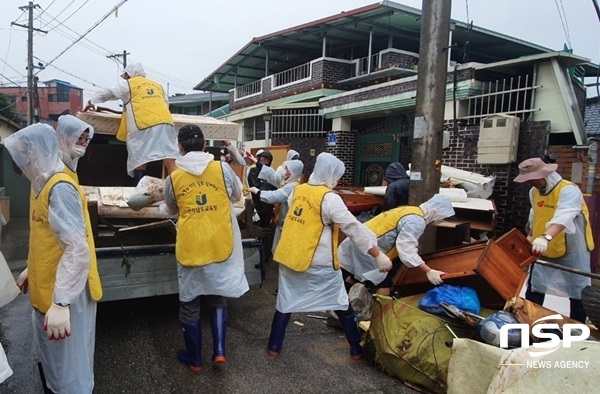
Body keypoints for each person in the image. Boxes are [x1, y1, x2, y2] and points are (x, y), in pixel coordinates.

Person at [4, 123, 102, 393]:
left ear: (33, 152)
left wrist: (61, 302)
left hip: (68, 293)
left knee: (72, 369)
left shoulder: (59, 188)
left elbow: (77, 249)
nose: (25, 172)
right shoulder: (40, 183)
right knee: (55, 364)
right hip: (49, 287)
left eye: (24, 165)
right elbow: (45, 238)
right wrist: (30, 269)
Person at [267, 152, 391, 360]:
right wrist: (377, 254)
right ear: (330, 174)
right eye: (336, 176)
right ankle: (355, 348)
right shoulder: (329, 198)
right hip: (318, 262)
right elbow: (352, 227)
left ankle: (274, 346)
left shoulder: (298, 190)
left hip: (290, 256)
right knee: (340, 302)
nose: (336, 181)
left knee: (286, 301)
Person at [160, 124, 249, 372]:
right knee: (217, 295)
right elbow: (236, 196)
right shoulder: (222, 168)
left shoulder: (175, 177)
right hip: (220, 242)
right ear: (204, 145)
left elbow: (171, 209)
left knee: (190, 303)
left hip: (191, 245)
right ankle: (219, 352)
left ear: (180, 147)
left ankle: (195, 359)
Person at [513, 157, 594, 322]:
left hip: (573, 249)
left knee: (578, 291)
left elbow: (565, 215)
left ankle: (577, 328)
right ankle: (530, 321)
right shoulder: (534, 192)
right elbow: (535, 215)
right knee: (535, 287)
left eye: (533, 179)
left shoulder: (569, 190)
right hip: (543, 247)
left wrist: (546, 236)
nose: (531, 183)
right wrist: (531, 235)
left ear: (546, 174)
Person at [84, 63, 179, 184]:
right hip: (166, 123)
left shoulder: (128, 84)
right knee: (170, 157)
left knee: (140, 159)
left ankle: (138, 191)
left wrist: (91, 101)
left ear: (129, 75)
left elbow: (108, 92)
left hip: (144, 124)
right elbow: (165, 104)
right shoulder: (157, 85)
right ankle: (177, 188)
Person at [338, 194, 455, 289]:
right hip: (369, 250)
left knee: (354, 276)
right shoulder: (416, 221)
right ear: (436, 212)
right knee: (384, 284)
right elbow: (406, 249)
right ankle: (381, 315)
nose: (440, 220)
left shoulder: (410, 209)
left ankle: (340, 307)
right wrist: (428, 271)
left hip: (358, 242)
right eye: (442, 217)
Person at [248, 159, 304, 254]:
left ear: (293, 173)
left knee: (283, 251)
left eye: (287, 170)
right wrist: (256, 162)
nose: (285, 172)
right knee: (277, 250)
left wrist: (258, 192)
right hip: (281, 222)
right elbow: (273, 175)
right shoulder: (286, 181)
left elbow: (278, 195)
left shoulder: (293, 186)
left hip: (286, 223)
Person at [56, 114, 94, 182]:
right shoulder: (56, 167)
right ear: (63, 137)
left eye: (87, 139)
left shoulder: (72, 164)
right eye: (80, 138)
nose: (84, 144)